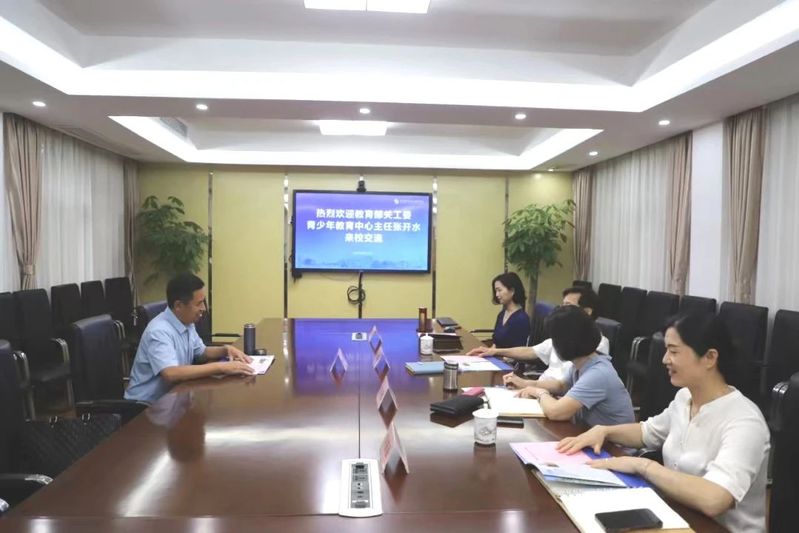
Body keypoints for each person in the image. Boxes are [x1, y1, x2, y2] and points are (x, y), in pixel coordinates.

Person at [557, 313, 769, 533]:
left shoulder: (744, 421)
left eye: (674, 351)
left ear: (709, 357)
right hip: (675, 517)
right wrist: (604, 431)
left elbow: (714, 499)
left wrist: (644, 466)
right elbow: (647, 432)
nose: (665, 359)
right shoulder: (685, 398)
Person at [125, 273, 254, 404]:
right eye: (199, 303)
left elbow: (201, 352)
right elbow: (171, 373)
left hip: (173, 398)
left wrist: (225, 350)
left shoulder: (186, 321)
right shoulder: (159, 331)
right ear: (178, 306)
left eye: (203, 302)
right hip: (145, 407)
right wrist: (221, 367)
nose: (203, 309)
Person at [502, 305, 634, 427]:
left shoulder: (598, 374)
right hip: (591, 434)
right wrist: (525, 384)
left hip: (613, 443)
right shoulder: (582, 362)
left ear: (566, 342)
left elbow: (555, 412)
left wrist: (539, 393)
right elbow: (561, 386)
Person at [468, 286, 608, 382]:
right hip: (541, 390)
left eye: (568, 305)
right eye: (562, 305)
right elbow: (531, 351)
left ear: (587, 312)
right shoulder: (564, 334)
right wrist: (494, 351)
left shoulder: (597, 344)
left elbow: (566, 384)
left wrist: (529, 385)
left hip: (556, 397)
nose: (562, 310)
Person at [484, 272, 530, 349]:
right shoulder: (501, 314)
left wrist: (494, 352)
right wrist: (487, 352)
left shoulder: (521, 319)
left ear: (512, 291)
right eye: (496, 291)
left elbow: (519, 351)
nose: (497, 295)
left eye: (499, 290)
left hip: (508, 356)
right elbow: (495, 343)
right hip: (496, 355)